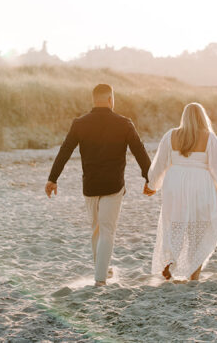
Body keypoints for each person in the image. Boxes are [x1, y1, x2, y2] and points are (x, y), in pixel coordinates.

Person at [45, 83, 153, 286]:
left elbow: (65, 151)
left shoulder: (80, 123)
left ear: (93, 99)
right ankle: (101, 278)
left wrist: (53, 178)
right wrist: (149, 178)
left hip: (90, 186)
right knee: (107, 230)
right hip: (113, 186)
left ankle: (101, 271)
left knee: (96, 230)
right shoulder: (124, 123)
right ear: (111, 99)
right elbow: (139, 151)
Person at [146, 102, 217, 281]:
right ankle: (194, 275)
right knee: (197, 230)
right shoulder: (209, 138)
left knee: (174, 225)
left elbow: (160, 163)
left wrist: (152, 184)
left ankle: (170, 261)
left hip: (174, 184)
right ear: (202, 118)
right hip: (200, 185)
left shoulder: (171, 135)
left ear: (184, 117)